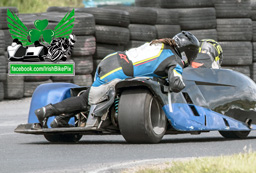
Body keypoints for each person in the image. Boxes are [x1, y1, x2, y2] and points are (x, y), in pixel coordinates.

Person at [35, 31, 200, 128]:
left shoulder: (159, 44)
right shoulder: (175, 60)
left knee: (93, 96)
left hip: (111, 60)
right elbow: (176, 83)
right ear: (187, 51)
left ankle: (60, 120)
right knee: (88, 102)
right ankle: (48, 111)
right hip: (118, 72)